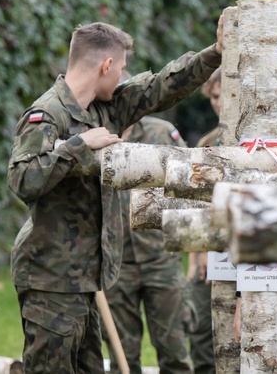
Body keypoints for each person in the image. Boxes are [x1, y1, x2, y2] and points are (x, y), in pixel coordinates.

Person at [8, 19, 223, 373]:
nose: (123, 76)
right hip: (50, 279)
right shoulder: (47, 115)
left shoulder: (103, 108)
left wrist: (214, 53)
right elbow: (22, 179)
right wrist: (78, 145)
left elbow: (161, 86)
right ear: (106, 65)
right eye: (120, 68)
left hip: (85, 280)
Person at [102, 111, 193, 374]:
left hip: (161, 258)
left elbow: (190, 183)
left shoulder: (161, 133)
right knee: (122, 357)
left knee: (174, 350)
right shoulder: (95, 137)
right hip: (116, 262)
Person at [187, 66, 224, 374]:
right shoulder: (206, 145)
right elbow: (196, 205)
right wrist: (197, 256)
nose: (219, 102)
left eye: (225, 95)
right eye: (214, 96)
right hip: (209, 251)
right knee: (201, 332)